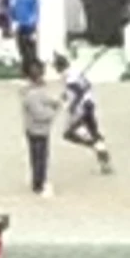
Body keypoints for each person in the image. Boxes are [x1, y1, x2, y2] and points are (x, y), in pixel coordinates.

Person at [53, 51, 110, 171]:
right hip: (90, 103)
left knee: (69, 133)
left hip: (82, 107)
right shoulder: (75, 73)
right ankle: (102, 155)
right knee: (93, 130)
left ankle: (94, 144)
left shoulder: (69, 78)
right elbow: (86, 86)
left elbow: (78, 92)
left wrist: (73, 105)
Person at [21, 66, 58, 195]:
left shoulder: (36, 92)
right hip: (37, 131)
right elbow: (40, 114)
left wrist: (55, 102)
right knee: (39, 159)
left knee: (39, 157)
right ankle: (38, 184)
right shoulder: (32, 95)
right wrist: (53, 112)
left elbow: (46, 99)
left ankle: (38, 181)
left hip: (36, 130)